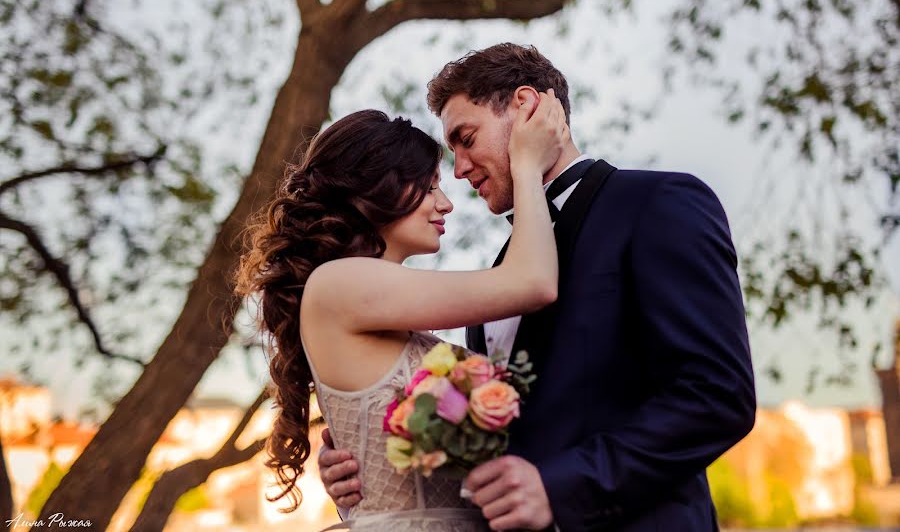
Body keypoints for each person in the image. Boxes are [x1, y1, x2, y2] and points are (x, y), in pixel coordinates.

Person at [319, 44, 757, 531]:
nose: (460, 170)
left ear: (525, 107)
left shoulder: (656, 204)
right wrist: (372, 461)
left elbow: (717, 396)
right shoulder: (505, 268)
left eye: (466, 139)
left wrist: (561, 487)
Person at [234, 100, 569, 531]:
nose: (446, 203)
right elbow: (533, 282)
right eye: (429, 186)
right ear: (376, 187)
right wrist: (526, 165)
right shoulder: (341, 284)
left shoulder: (379, 303)